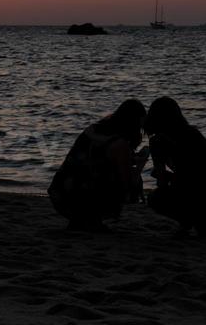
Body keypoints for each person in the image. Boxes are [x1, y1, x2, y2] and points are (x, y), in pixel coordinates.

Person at [49, 99, 148, 231]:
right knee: (131, 184)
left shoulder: (94, 129)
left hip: (62, 191)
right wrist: (141, 164)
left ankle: (82, 220)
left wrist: (130, 159)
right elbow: (126, 182)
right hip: (83, 197)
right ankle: (92, 219)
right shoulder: (119, 143)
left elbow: (97, 158)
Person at [144, 97, 206, 238]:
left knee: (155, 198)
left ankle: (188, 221)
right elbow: (203, 170)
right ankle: (199, 220)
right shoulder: (193, 133)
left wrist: (163, 176)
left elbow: (162, 183)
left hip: (195, 191)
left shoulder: (158, 141)